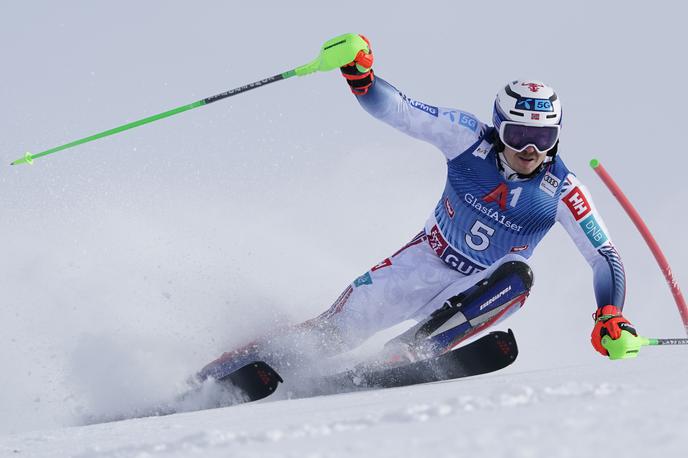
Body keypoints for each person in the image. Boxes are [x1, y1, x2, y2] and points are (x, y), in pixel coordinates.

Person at [198, 35, 637, 382]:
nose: (528, 148)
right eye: (517, 133)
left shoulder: (563, 187)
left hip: (480, 287)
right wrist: (362, 78)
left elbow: (604, 256)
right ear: (497, 126)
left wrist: (610, 313)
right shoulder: (468, 138)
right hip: (422, 262)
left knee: (519, 277)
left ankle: (411, 351)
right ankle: (216, 372)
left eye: (542, 138)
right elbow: (402, 111)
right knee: (325, 336)